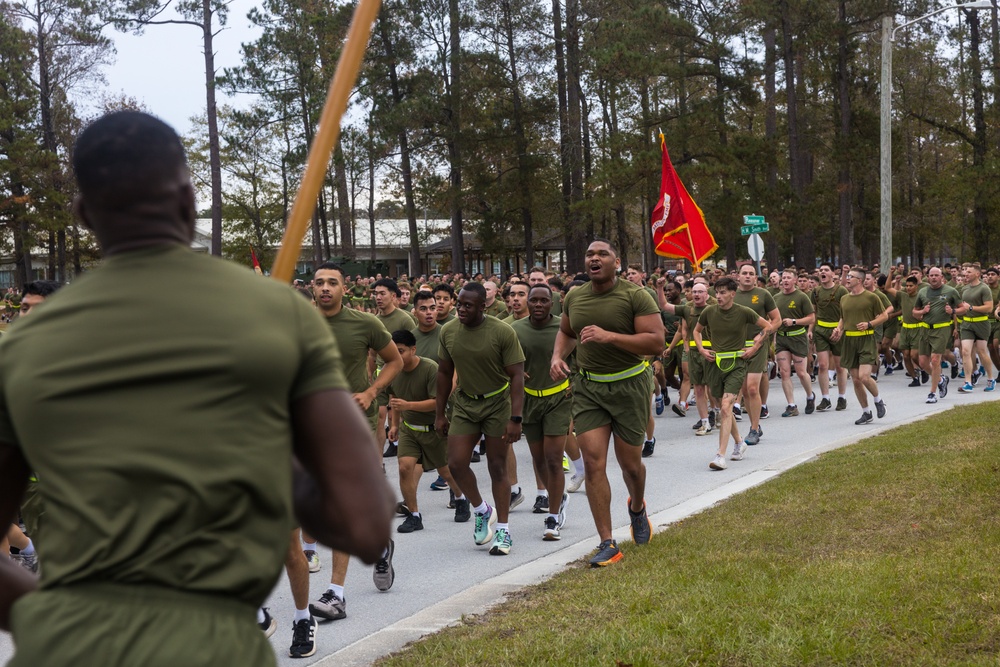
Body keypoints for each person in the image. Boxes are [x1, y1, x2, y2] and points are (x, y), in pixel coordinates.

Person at [0, 111, 394, 666]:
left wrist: (52, 619)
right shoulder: (276, 315)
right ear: (187, 198)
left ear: (85, 213)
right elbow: (365, 521)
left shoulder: (21, 347)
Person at [551, 240, 664, 567]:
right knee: (594, 462)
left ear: (616, 262)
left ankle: (637, 507)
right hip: (589, 388)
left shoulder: (635, 296)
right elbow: (567, 332)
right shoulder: (575, 295)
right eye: (589, 254)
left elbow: (656, 341)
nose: (594, 259)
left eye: (602, 254)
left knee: (630, 465)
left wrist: (609, 336)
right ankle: (607, 542)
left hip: (630, 385)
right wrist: (557, 356)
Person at [307, 264, 403, 623]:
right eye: (320, 283)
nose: (326, 288)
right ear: (312, 289)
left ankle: (336, 594)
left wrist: (371, 391)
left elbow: (394, 361)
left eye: (333, 282)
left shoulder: (365, 324)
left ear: (345, 289)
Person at [435, 282, 525, 556]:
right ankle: (482, 510)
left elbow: (517, 375)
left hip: (498, 402)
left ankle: (504, 532)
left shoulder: (502, 331)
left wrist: (516, 417)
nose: (460, 309)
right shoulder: (448, 331)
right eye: (458, 303)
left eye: (467, 305)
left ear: (483, 306)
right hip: (465, 403)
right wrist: (439, 413)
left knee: (497, 467)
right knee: (456, 463)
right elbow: (443, 373)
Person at [387, 330, 468, 532]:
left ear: (413, 350)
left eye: (401, 351)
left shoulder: (430, 369)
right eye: (393, 352)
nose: (397, 356)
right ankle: (414, 515)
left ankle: (460, 497)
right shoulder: (392, 370)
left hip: (435, 429)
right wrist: (395, 425)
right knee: (405, 467)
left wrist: (408, 406)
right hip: (409, 430)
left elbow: (437, 402)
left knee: (446, 472)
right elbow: (395, 400)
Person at [511, 284, 571, 540]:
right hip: (529, 401)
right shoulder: (515, 329)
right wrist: (513, 373)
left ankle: (553, 516)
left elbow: (580, 357)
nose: (537, 305)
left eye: (543, 301)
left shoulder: (564, 328)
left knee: (554, 459)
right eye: (533, 300)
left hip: (559, 399)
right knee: (539, 460)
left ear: (553, 302)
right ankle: (560, 494)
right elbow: (505, 362)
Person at [693, 278, 771, 470]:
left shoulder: (744, 312)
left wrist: (755, 347)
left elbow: (767, 327)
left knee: (727, 406)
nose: (718, 296)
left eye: (723, 292)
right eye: (717, 292)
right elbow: (696, 331)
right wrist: (702, 350)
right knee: (723, 407)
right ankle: (739, 442)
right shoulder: (709, 312)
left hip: (737, 364)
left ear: (732, 294)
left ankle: (720, 455)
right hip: (715, 363)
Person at [733, 265, 780, 444]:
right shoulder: (732, 295)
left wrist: (761, 337)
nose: (747, 276)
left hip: (758, 346)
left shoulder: (763, 295)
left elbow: (777, 320)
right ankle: (756, 425)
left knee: (752, 387)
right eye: (744, 273)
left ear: (756, 278)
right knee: (744, 390)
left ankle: (753, 430)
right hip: (736, 347)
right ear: (738, 276)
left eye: (751, 274)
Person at [837, 267, 890, 423]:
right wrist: (838, 329)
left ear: (858, 280)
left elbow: (884, 316)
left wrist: (869, 324)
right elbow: (843, 317)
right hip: (849, 341)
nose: (847, 278)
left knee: (864, 377)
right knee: (855, 380)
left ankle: (879, 401)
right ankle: (866, 412)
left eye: (850, 276)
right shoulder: (844, 299)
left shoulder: (871, 297)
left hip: (866, 340)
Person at [913, 267, 962, 403]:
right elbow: (914, 312)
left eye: (936, 275)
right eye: (931, 275)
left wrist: (952, 310)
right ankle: (941, 379)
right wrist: (923, 310)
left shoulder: (951, 291)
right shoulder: (922, 292)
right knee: (923, 362)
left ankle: (932, 393)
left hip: (941, 329)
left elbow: (962, 308)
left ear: (941, 277)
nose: (934, 277)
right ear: (927, 277)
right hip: (925, 329)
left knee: (935, 360)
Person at [773, 269, 816, 416]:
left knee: (801, 373)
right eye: (783, 278)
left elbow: (811, 318)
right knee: (784, 372)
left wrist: (794, 321)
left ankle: (810, 396)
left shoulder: (801, 297)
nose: (785, 280)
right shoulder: (776, 297)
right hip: (781, 338)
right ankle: (791, 405)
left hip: (797, 337)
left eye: (788, 278)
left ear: (795, 280)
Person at [810, 263, 849, 411]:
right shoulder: (815, 291)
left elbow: (846, 313)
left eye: (826, 270)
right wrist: (810, 330)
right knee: (823, 366)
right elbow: (813, 312)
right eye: (821, 270)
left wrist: (839, 329)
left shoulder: (841, 290)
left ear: (833, 274)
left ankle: (842, 397)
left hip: (837, 331)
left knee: (840, 366)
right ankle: (825, 398)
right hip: (821, 331)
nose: (823, 272)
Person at [955, 263, 995, 392]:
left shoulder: (984, 288)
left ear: (977, 274)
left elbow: (989, 308)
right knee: (965, 351)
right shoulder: (964, 289)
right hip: (966, 323)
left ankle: (990, 378)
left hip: (981, 323)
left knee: (982, 352)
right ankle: (968, 382)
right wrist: (953, 311)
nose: (966, 274)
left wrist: (972, 308)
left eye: (969, 272)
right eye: (965, 272)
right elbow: (963, 308)